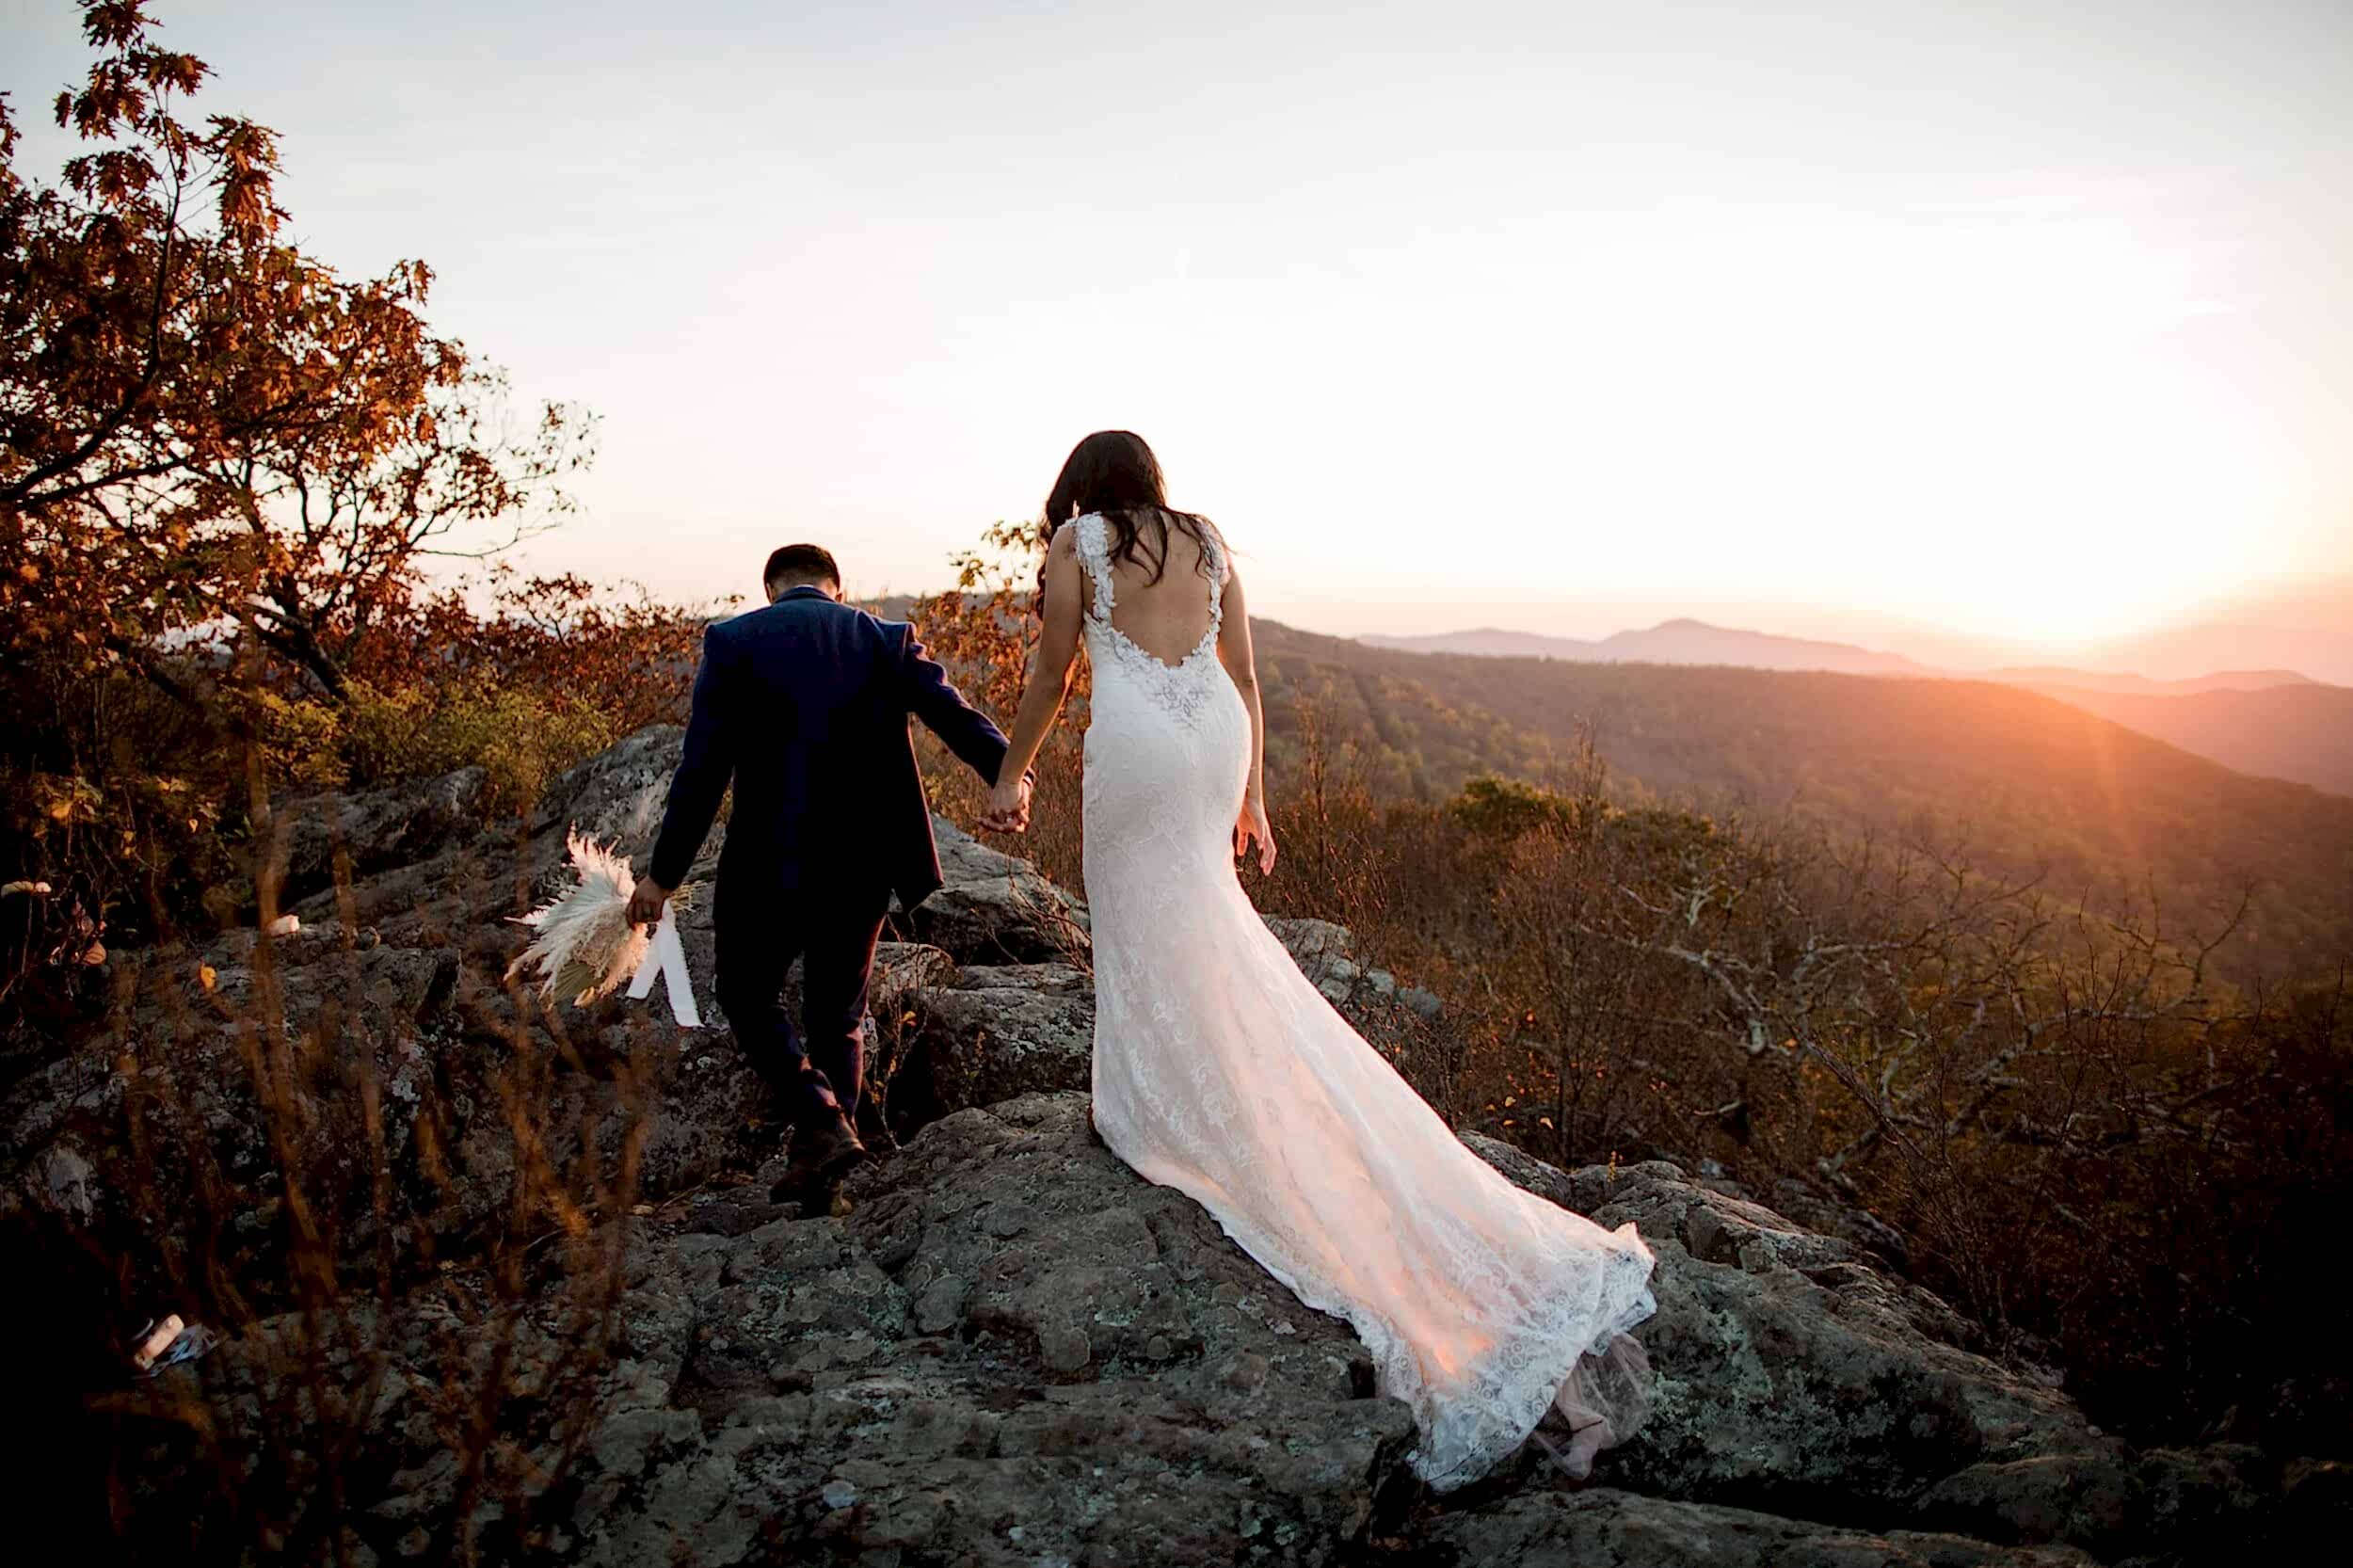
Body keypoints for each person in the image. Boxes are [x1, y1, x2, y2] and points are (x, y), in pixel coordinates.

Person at [982, 431, 1658, 1490]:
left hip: (1141, 748)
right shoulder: (1206, 539)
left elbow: (1053, 673)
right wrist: (1254, 798)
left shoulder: (1080, 539)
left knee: (1146, 912)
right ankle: (1193, 1075)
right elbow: (1244, 673)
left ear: (1080, 487)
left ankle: (1153, 1100)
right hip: (1213, 736)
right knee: (1203, 911)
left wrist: (1009, 776)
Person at [627, 543, 1032, 1213]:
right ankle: (831, 1161)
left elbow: (700, 773)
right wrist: (1007, 777)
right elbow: (954, 717)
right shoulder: (883, 638)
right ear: (835, 589)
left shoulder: (733, 642)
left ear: (771, 589)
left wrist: (662, 877)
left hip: (767, 861)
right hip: (865, 861)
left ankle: (819, 1122)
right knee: (837, 1014)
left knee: (745, 993)